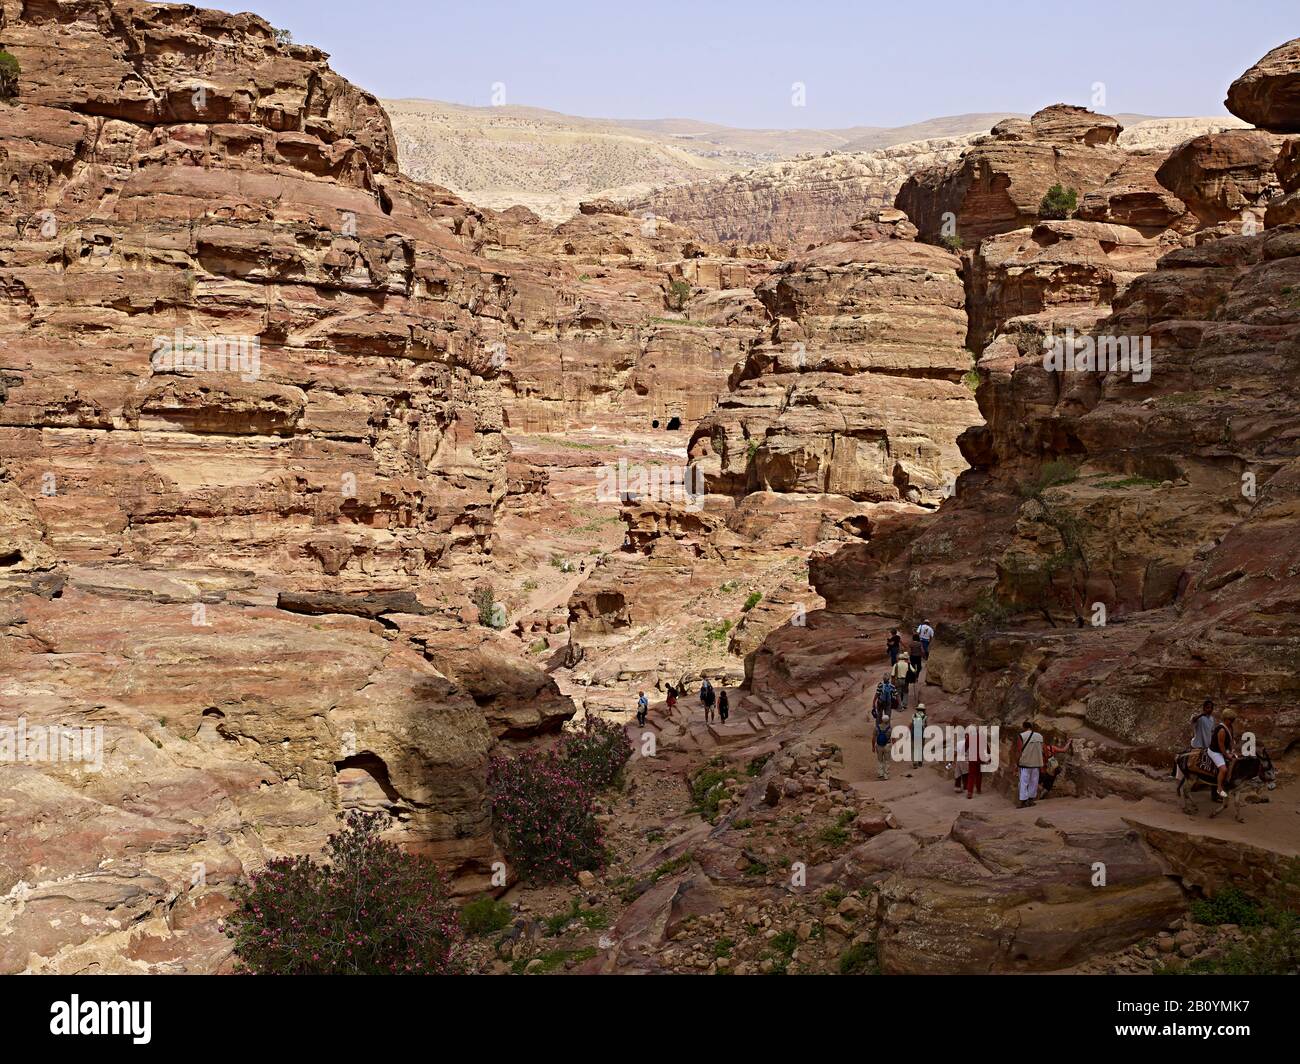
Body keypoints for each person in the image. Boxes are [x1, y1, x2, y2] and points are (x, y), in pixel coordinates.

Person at [1210, 708, 1238, 799]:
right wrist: (1227, 755)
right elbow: (1221, 746)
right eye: (1231, 720)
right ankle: (1219, 788)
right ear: (1226, 719)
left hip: (1223, 750)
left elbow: (1230, 741)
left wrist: (1232, 751)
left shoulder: (1230, 727)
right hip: (1215, 751)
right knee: (1223, 769)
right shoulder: (1221, 730)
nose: (1232, 722)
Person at [1016, 719, 1044, 808]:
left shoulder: (1022, 736)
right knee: (1034, 781)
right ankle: (1031, 800)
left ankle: (1023, 801)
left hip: (1025, 763)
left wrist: (1017, 762)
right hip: (1036, 763)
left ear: (1024, 727)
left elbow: (1019, 750)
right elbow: (1042, 749)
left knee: (1023, 782)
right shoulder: (1040, 736)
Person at [1036, 735, 1074, 799]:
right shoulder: (1051, 748)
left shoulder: (1037, 752)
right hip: (1052, 770)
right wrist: (1069, 742)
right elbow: (1063, 750)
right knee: (1048, 786)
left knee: (1035, 782)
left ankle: (1040, 792)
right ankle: (1043, 793)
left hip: (1043, 771)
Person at [874, 714, 893, 780]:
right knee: (887, 760)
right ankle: (886, 775)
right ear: (888, 720)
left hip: (879, 745)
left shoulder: (877, 727)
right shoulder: (890, 729)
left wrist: (873, 746)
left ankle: (880, 773)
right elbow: (893, 738)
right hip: (887, 745)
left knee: (880, 760)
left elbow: (873, 737)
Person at [911, 704, 927, 769]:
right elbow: (925, 725)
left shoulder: (913, 715)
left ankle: (915, 762)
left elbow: (912, 723)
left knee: (914, 748)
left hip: (914, 732)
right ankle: (920, 761)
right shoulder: (925, 716)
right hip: (921, 732)